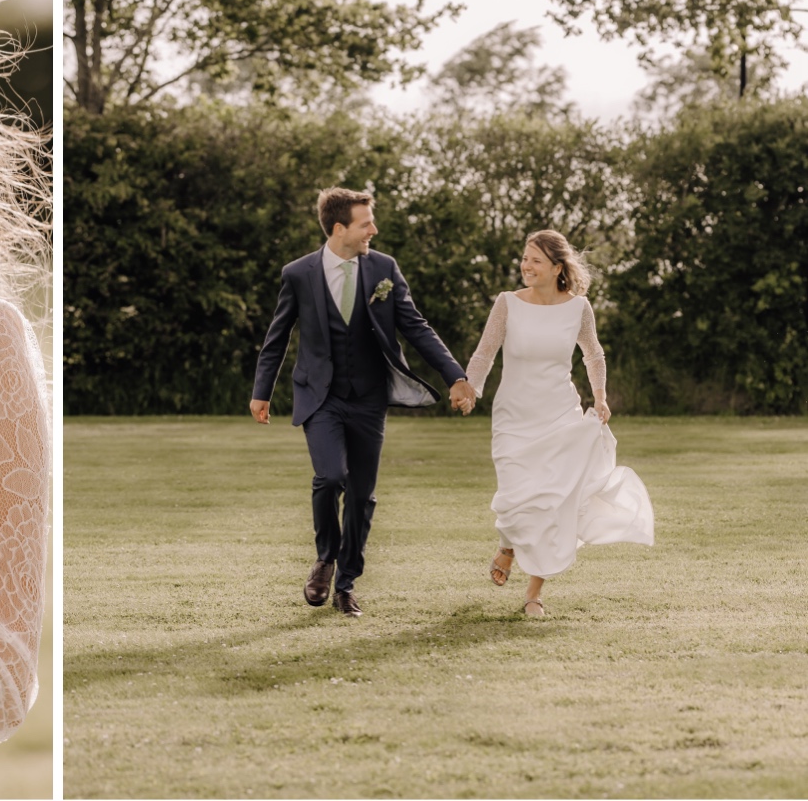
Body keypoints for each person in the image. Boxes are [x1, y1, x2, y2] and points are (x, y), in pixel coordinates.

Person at [250, 187, 476, 617]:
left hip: (370, 398)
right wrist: (262, 391)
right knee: (330, 476)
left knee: (361, 495)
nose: (374, 229)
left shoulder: (383, 268)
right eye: (366, 223)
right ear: (340, 229)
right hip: (321, 397)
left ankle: (347, 583)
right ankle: (324, 560)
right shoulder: (298, 273)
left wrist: (457, 376)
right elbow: (276, 337)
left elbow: (416, 327)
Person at [459, 230, 653, 617]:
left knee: (553, 502)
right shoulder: (507, 303)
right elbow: (485, 353)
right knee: (515, 498)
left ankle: (534, 593)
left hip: (558, 416)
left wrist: (599, 396)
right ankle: (509, 545)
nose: (525, 266)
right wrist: (471, 389)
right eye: (524, 259)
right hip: (513, 416)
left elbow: (593, 355)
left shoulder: (578, 308)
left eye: (534, 261)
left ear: (557, 268)